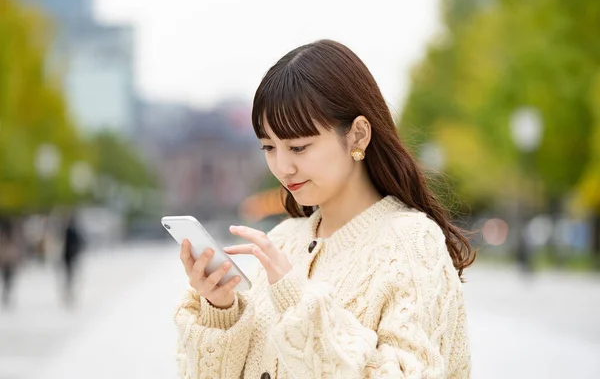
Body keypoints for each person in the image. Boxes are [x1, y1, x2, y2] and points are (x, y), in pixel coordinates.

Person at [174, 39, 476, 378]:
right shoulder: (283, 239)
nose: (282, 167)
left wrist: (299, 305)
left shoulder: (411, 243)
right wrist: (221, 309)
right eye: (269, 147)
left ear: (358, 135)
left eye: (299, 147)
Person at [0, 217, 20, 309]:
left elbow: (15, 250)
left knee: (9, 280)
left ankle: (7, 295)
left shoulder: (12, 238)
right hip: (6, 262)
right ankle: (6, 295)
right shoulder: (3, 238)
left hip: (9, 262)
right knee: (6, 280)